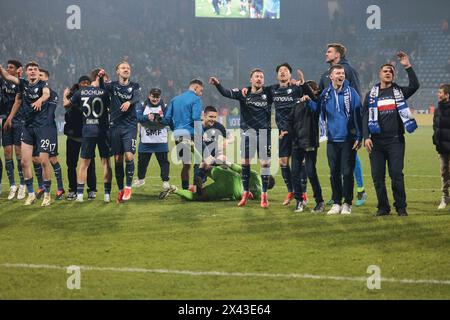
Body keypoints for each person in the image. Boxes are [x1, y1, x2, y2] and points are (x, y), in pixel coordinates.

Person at [362, 52, 420, 217]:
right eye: (385, 71)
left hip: (395, 141)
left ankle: (401, 208)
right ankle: (383, 208)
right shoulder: (371, 94)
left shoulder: (400, 92)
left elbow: (415, 85)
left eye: (391, 71)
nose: (388, 73)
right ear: (380, 74)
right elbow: (364, 116)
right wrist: (366, 137)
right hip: (376, 142)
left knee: (396, 175)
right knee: (378, 178)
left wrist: (407, 66)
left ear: (394, 76)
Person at [210, 68, 273, 208]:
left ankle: (264, 195)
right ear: (251, 79)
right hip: (247, 133)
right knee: (245, 163)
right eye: (256, 76)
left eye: (261, 77)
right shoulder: (244, 93)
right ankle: (245, 193)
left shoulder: (269, 92)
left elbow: (282, 92)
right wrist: (218, 84)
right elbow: (226, 93)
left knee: (265, 164)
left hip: (264, 133)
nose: (259, 79)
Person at [319, 43, 368, 206]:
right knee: (336, 167)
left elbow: (356, 96)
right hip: (333, 128)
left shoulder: (349, 71)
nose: (326, 54)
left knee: (351, 160)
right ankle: (336, 195)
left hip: (348, 127)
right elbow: (319, 98)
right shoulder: (325, 75)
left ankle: (360, 190)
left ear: (337, 55)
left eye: (329, 52)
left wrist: (357, 126)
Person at [0, 61, 51, 206]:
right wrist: (1, 69)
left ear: (37, 72)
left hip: (42, 128)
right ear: (26, 72)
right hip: (27, 127)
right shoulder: (22, 84)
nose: (33, 71)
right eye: (31, 69)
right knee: (23, 162)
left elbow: (46, 94)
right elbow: (8, 77)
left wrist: (40, 100)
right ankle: (30, 194)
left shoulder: (42, 85)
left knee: (44, 162)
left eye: (35, 69)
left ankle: (47, 194)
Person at [63, 68, 112, 203]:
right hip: (102, 131)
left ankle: (79, 195)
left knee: (84, 164)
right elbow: (111, 107)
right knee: (106, 163)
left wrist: (65, 95)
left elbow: (66, 105)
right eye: (105, 80)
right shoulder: (105, 92)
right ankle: (107, 195)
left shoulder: (81, 91)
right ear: (98, 78)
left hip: (88, 131)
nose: (107, 82)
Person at [100, 61, 141, 202]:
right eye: (123, 68)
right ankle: (121, 189)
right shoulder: (112, 86)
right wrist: (100, 78)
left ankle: (128, 187)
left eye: (128, 68)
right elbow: (101, 88)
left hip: (130, 126)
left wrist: (129, 102)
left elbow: (137, 97)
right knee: (118, 159)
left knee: (129, 156)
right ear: (117, 71)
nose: (126, 70)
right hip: (115, 126)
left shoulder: (134, 86)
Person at [283, 80, 324, 213]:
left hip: (309, 143)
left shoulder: (315, 103)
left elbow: (316, 106)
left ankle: (319, 201)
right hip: (296, 143)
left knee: (311, 172)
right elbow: (289, 120)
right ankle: (299, 201)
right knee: (295, 173)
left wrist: (307, 93)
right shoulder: (297, 104)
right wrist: (286, 130)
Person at [161, 79, 203, 191]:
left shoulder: (175, 99)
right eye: (201, 90)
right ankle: (197, 188)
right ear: (195, 88)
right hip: (192, 133)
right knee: (200, 161)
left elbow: (167, 119)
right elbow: (196, 118)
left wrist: (175, 129)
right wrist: (202, 134)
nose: (201, 93)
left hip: (178, 134)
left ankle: (185, 189)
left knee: (186, 164)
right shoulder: (196, 99)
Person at [162, 162, 275, 202]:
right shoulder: (261, 193)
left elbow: (238, 169)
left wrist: (227, 163)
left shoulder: (255, 175)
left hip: (231, 176)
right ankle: (175, 189)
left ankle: (194, 153)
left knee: (205, 166)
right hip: (232, 189)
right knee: (197, 196)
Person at [64, 76, 97, 200]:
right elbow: (66, 108)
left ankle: (92, 190)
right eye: (83, 82)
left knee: (90, 165)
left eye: (87, 83)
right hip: (73, 136)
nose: (85, 84)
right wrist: (65, 96)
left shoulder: (93, 97)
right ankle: (72, 190)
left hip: (87, 136)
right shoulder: (73, 96)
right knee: (71, 165)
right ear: (78, 84)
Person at [134, 88, 170, 191]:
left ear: (160, 97)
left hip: (160, 141)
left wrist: (155, 118)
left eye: (157, 97)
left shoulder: (165, 107)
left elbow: (167, 120)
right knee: (142, 163)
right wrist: (147, 117)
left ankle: (165, 181)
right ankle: (141, 180)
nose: (155, 99)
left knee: (164, 163)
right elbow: (138, 118)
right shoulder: (142, 105)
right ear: (149, 96)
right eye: (153, 96)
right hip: (146, 141)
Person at [38, 69, 65, 200]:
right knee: (35, 159)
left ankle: (60, 188)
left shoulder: (53, 94)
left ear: (47, 78)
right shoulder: (32, 93)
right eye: (38, 76)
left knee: (51, 159)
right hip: (36, 130)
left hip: (48, 129)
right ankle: (41, 186)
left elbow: (49, 114)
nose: (39, 78)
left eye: (41, 76)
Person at [0, 60, 25, 200]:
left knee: (18, 152)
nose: (8, 69)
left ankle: (22, 184)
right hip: (5, 120)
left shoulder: (21, 83)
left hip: (18, 120)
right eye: (7, 67)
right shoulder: (2, 81)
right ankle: (12, 185)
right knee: (7, 153)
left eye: (11, 67)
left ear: (17, 70)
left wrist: (10, 117)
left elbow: (19, 101)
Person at [433, 84, 450, 210]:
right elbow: (436, 127)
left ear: (447, 95)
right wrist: (436, 140)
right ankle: (445, 197)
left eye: (440, 92)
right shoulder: (438, 110)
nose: (438, 94)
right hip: (442, 148)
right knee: (444, 173)